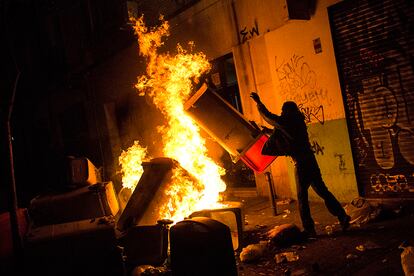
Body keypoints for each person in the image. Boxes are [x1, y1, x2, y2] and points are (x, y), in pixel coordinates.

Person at [250, 92, 350, 237]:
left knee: (302, 197)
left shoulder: (287, 121)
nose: (282, 113)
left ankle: (309, 229)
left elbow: (270, 117)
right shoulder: (297, 121)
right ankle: (342, 216)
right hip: (310, 160)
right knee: (323, 191)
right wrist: (268, 131)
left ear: (287, 111)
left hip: (302, 164)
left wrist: (259, 102)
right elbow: (285, 132)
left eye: (283, 111)